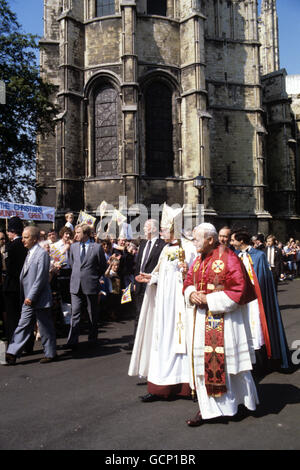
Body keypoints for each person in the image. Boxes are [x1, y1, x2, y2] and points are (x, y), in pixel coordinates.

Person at [183, 223, 258, 426]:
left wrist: (210, 300)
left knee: (230, 368)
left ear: (210, 239)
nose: (194, 242)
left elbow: (240, 290)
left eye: (197, 239)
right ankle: (207, 410)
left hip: (224, 322)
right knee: (203, 365)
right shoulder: (199, 260)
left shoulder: (229, 258)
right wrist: (192, 294)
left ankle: (236, 405)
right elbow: (188, 281)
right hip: (202, 321)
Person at [129, 203, 196, 402]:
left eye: (165, 229)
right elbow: (160, 274)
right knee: (162, 342)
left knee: (181, 343)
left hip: (180, 306)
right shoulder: (166, 249)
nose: (162, 232)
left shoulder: (189, 248)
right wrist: (150, 278)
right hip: (163, 305)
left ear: (174, 229)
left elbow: (194, 274)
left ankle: (186, 386)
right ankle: (160, 387)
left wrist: (186, 271)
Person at [231, 229, 290, 370]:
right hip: (241, 299)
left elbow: (263, 278)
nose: (231, 243)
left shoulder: (258, 256)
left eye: (233, 240)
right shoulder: (235, 255)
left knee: (256, 325)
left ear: (241, 241)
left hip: (255, 299)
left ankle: (261, 359)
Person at [5, 226, 57, 365]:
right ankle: (12, 353)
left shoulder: (42, 254)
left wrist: (31, 297)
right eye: (22, 237)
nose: (23, 240)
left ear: (34, 239)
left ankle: (50, 353)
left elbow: (41, 278)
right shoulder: (29, 253)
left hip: (38, 298)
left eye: (26, 237)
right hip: (28, 299)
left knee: (45, 327)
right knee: (23, 324)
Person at [124, 219, 165, 351]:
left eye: (146, 227)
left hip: (153, 284)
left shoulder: (162, 245)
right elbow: (138, 264)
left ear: (154, 229)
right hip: (140, 284)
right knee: (138, 312)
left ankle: (151, 342)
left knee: (152, 313)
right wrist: (136, 281)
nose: (144, 230)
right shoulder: (143, 244)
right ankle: (136, 340)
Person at [65, 224, 107, 349]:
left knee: (91, 313)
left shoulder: (97, 248)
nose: (75, 235)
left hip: (91, 284)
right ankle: (72, 340)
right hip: (75, 284)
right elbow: (72, 264)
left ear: (86, 234)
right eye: (75, 232)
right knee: (75, 313)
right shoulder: (73, 247)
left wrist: (94, 277)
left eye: (78, 232)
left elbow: (102, 266)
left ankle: (93, 338)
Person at [2, 217, 28, 345]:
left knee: (12, 318)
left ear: (12, 231)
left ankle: (14, 343)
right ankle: (28, 344)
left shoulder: (10, 246)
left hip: (12, 286)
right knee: (25, 316)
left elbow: (9, 267)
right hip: (25, 285)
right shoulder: (27, 246)